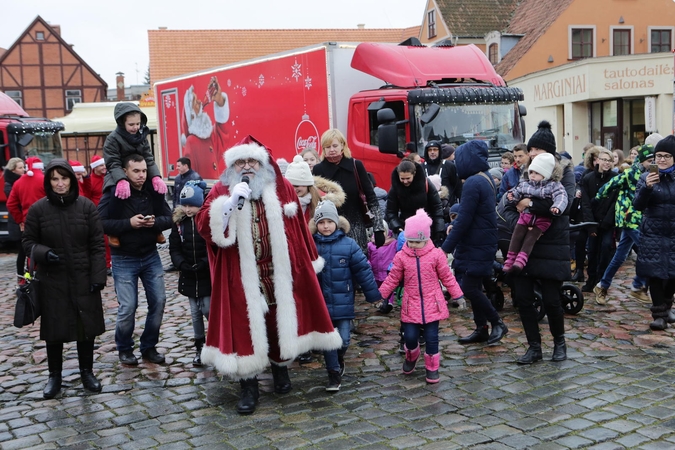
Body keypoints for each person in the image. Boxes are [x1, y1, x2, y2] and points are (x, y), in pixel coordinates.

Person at [195, 135, 342, 415]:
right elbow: (204, 226)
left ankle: (280, 370)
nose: (247, 166)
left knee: (278, 322)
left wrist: (308, 260)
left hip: (278, 271)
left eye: (252, 160)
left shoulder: (281, 186)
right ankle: (248, 385)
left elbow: (298, 225)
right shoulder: (220, 190)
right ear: (232, 165)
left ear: (262, 163)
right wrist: (227, 205)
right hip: (240, 274)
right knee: (244, 326)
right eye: (241, 161)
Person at [22, 159, 106, 399]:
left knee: (85, 328)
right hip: (53, 279)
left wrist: (98, 275)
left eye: (64, 178)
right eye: (55, 179)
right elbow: (28, 242)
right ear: (49, 182)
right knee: (54, 329)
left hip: (83, 276)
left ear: (72, 179)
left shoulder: (86, 207)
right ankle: (54, 375)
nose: (60, 184)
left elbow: (97, 245)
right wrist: (42, 253)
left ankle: (86, 372)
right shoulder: (39, 209)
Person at [504, 120, 575, 364]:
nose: (532, 153)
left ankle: (559, 343)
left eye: (537, 150)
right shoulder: (527, 173)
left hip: (551, 243)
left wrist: (531, 205)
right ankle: (534, 346)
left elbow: (564, 207)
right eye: (531, 149)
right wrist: (520, 221)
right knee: (523, 298)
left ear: (549, 151)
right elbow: (509, 203)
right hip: (525, 242)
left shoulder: (564, 172)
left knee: (552, 299)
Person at [98, 154, 173, 366]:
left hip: (150, 255)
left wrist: (154, 222)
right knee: (128, 306)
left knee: (158, 302)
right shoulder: (115, 192)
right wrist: (129, 223)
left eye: (143, 171)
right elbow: (101, 222)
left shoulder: (153, 191)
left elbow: (169, 218)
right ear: (125, 171)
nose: (141, 175)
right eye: (136, 171)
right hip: (123, 258)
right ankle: (124, 348)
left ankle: (149, 347)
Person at [380, 209, 464, 384]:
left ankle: (432, 367)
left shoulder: (436, 255)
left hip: (432, 303)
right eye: (410, 241)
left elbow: (447, 276)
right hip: (411, 304)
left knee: (432, 338)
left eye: (417, 242)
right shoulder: (402, 256)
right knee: (410, 336)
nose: (413, 245)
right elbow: (393, 278)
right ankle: (412, 354)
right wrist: (381, 295)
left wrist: (457, 295)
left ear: (426, 239)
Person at [441, 140, 508, 345]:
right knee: (476, 287)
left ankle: (497, 323)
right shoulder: (484, 178)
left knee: (469, 288)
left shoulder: (473, 182)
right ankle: (481, 328)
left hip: (476, 244)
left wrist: (445, 248)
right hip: (482, 241)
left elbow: (464, 219)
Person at [311, 199, 381, 391]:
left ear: (336, 222)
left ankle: (339, 358)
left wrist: (373, 295)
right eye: (321, 222)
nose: (326, 226)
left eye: (329, 221)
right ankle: (333, 374)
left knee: (344, 339)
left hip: (344, 301)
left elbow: (363, 271)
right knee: (328, 341)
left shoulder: (349, 245)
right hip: (321, 304)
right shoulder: (311, 246)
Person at [592, 144, 656, 305]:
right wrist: (599, 197)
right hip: (628, 218)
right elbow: (609, 185)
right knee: (646, 250)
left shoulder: (651, 175)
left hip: (639, 218)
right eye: (650, 160)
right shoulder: (630, 173)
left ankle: (602, 285)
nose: (653, 162)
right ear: (642, 161)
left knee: (620, 255)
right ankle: (636, 286)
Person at [312, 129, 385, 252]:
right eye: (327, 147)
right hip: (328, 230)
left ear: (342, 145)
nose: (332, 149)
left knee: (358, 264)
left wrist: (378, 229)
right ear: (323, 149)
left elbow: (371, 198)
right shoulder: (318, 170)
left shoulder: (356, 166)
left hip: (356, 227)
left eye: (335, 145)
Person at [634, 135, 675, 330]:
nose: (662, 159)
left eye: (667, 155)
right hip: (653, 233)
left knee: (672, 274)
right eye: (658, 155)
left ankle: (667, 306)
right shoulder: (646, 177)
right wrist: (647, 188)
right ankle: (659, 314)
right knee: (655, 274)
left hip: (673, 232)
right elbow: (638, 205)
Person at [503, 152, 568, 274]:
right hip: (525, 216)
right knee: (516, 235)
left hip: (542, 220)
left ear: (545, 174)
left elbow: (562, 197)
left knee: (530, 238)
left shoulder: (553, 186)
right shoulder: (525, 183)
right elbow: (517, 191)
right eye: (531, 172)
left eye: (537, 173)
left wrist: (556, 207)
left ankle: (521, 260)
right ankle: (510, 259)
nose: (532, 175)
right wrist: (512, 197)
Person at [169, 180, 211, 366]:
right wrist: (180, 263)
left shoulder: (206, 220)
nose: (188, 209)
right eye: (185, 205)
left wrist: (205, 263)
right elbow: (174, 247)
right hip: (189, 274)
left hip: (206, 274)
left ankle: (217, 340)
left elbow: (213, 245)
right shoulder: (179, 224)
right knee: (195, 312)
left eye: (191, 206)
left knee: (208, 309)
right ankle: (200, 346)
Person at [103, 102, 167, 199]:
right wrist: (121, 180)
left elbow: (149, 159)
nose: (136, 127)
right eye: (131, 124)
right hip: (117, 174)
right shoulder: (112, 139)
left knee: (158, 192)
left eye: (138, 123)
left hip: (140, 172)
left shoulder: (142, 137)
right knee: (113, 194)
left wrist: (155, 176)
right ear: (122, 124)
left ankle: (161, 214)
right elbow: (112, 163)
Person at [580, 146, 618, 293]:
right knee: (593, 250)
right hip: (593, 221)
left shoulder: (615, 178)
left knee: (606, 248)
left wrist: (608, 221)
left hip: (608, 221)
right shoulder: (588, 178)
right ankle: (591, 278)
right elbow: (586, 204)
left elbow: (615, 202)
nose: (606, 163)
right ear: (598, 161)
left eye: (609, 160)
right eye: (604, 160)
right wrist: (591, 226)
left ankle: (602, 280)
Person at [385, 158, 445, 247]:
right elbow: (390, 212)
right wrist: (398, 228)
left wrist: (439, 229)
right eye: (402, 178)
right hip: (406, 230)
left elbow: (437, 207)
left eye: (408, 178)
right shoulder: (395, 188)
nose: (405, 181)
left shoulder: (426, 184)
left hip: (427, 228)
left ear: (414, 174)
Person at [181, 79, 231, 179]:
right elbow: (189, 176)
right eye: (195, 102)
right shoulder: (191, 142)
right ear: (191, 115)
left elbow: (223, 132)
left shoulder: (208, 136)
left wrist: (220, 100)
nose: (199, 102)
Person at [7, 156, 45, 283]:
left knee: (30, 252)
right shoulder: (44, 180)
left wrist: (20, 221)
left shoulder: (18, 182)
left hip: (28, 222)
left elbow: (10, 204)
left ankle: (29, 278)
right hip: (46, 221)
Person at [283, 154, 345, 223]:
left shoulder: (321, 202)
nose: (294, 189)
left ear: (307, 185)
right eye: (291, 186)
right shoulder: (281, 202)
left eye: (297, 186)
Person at [3, 157, 25, 278]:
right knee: (22, 251)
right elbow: (15, 203)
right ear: (13, 170)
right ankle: (21, 275)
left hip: (19, 222)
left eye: (24, 167)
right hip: (16, 223)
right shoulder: (9, 185)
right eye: (20, 168)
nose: (23, 170)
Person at [423, 140, 462, 205]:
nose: (432, 152)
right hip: (428, 205)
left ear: (440, 151)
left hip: (447, 205)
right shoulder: (421, 167)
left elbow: (458, 187)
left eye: (435, 150)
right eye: (430, 150)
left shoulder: (449, 166)